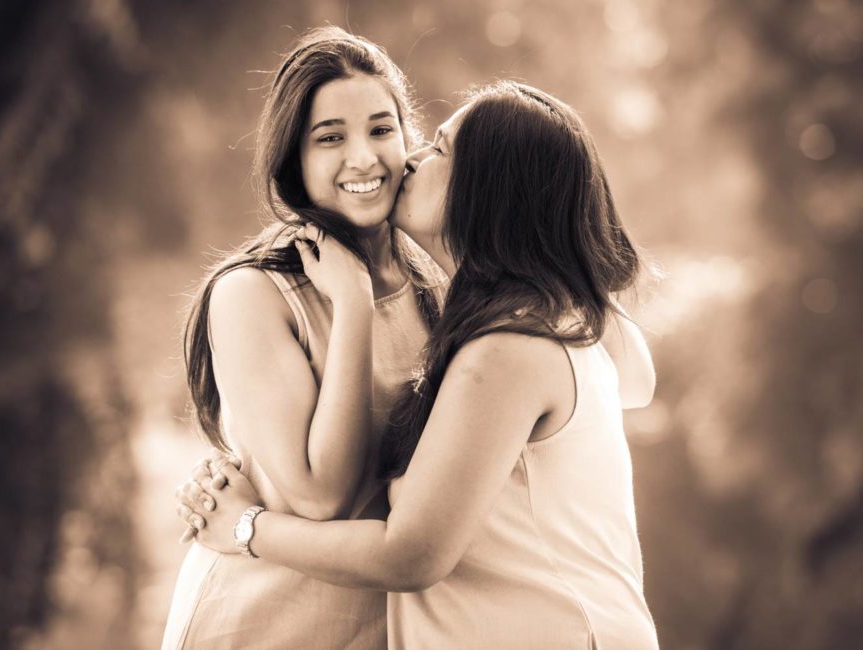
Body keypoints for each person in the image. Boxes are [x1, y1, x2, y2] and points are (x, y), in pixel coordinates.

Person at [181, 81, 660, 649]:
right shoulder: (511, 319)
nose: (409, 158)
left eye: (436, 147)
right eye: (329, 137)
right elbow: (636, 381)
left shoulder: (508, 342)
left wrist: (243, 525)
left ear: (490, 188)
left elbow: (406, 553)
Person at [161, 26, 446, 650]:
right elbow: (320, 497)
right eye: (330, 138)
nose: (365, 158)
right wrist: (352, 304)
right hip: (263, 621)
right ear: (293, 160)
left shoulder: (436, 279)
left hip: (392, 625)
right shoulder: (253, 295)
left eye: (380, 129)